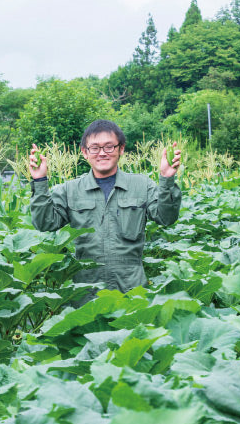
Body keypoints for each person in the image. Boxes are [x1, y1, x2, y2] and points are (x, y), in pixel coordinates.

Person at [29, 119, 182, 302]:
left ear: (121, 149)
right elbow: (44, 223)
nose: (102, 153)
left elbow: (166, 218)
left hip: (131, 290)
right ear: (85, 152)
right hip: (85, 292)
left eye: (109, 147)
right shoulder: (70, 190)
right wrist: (39, 181)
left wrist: (166, 179)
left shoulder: (141, 185)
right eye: (95, 148)